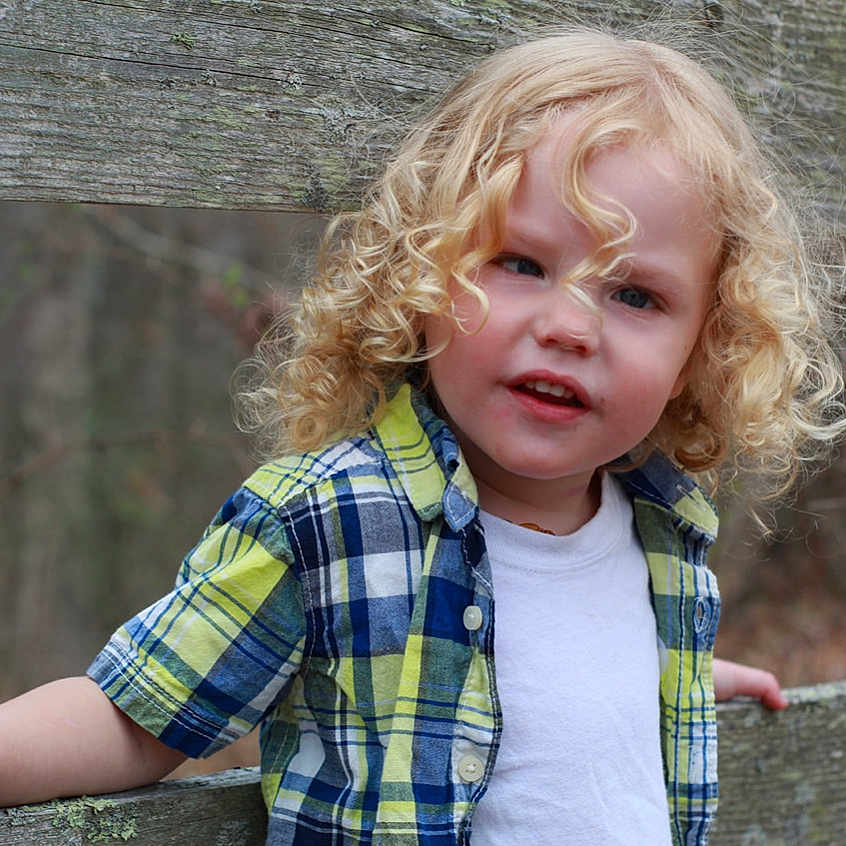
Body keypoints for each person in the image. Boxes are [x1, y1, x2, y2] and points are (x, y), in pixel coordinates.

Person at [0, 24, 841, 846]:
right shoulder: (331, 522)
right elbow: (135, 716)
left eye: (635, 296)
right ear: (422, 272)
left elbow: (550, 675)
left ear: (704, 348)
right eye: (521, 264)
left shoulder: (660, 535)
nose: (570, 327)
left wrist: (663, 680)